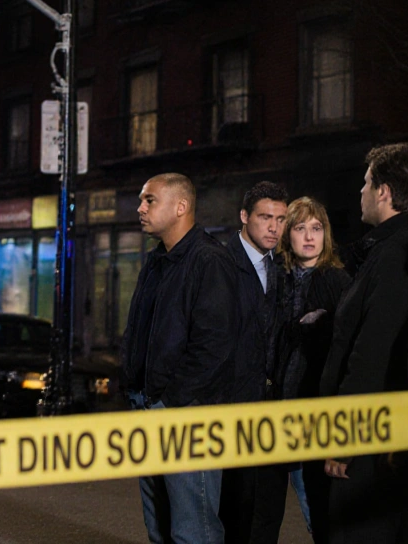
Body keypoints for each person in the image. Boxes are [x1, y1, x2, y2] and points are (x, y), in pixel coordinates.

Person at [320, 143, 408, 544]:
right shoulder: (396, 247)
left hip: (373, 440)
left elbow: (374, 352)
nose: (361, 191)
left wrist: (346, 436)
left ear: (384, 192)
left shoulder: (398, 254)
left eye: (367, 183)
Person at [121, 173, 240, 544]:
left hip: (187, 414)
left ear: (181, 207)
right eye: (141, 200)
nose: (140, 209)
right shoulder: (157, 261)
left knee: (194, 529)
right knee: (159, 526)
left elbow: (214, 346)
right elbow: (140, 331)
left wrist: (170, 400)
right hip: (149, 406)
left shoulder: (209, 261)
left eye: (150, 200)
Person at [274, 197, 352, 544]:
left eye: (317, 228)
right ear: (287, 234)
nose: (309, 236)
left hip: (316, 411)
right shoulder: (281, 279)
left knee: (320, 511)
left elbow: (346, 354)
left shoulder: (336, 281)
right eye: (301, 228)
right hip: (282, 408)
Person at [221, 181, 289, 544]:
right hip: (232, 408)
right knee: (235, 511)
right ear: (245, 217)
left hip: (274, 411)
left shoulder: (284, 266)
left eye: (281, 219)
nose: (274, 227)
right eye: (265, 217)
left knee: (267, 512)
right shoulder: (220, 263)